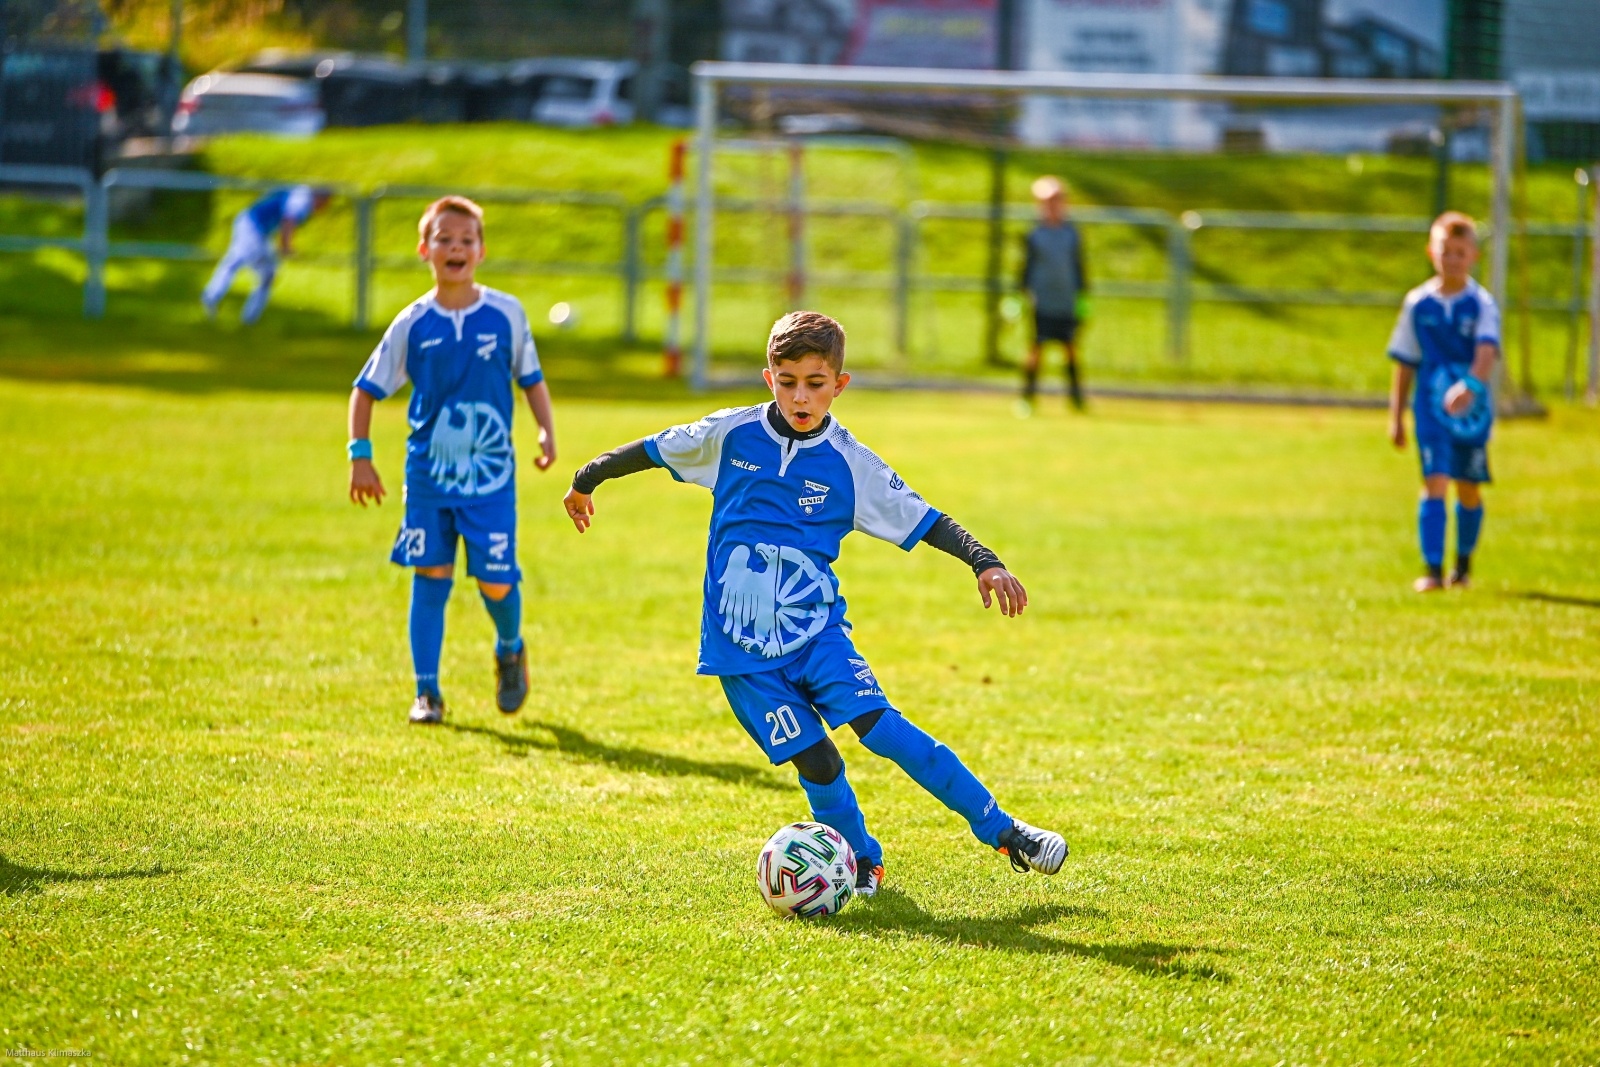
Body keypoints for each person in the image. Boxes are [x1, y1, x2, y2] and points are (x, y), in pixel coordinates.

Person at [562, 311, 1067, 896]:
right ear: (768, 377)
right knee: (820, 764)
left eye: (815, 382)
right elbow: (652, 449)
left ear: (840, 385)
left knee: (883, 729)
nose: (800, 395)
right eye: (787, 380)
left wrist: (985, 560)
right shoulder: (730, 435)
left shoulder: (851, 462)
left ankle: (1005, 831)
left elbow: (923, 518)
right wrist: (586, 479)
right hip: (742, 651)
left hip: (817, 634)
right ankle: (863, 864)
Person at [346, 196, 558, 724]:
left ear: (481, 250)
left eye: (466, 240)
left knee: (496, 580)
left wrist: (546, 431)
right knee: (430, 573)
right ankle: (427, 694)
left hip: (491, 478)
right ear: (425, 249)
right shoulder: (413, 322)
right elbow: (365, 390)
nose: (455, 247)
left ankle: (510, 648)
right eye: (444, 239)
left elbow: (530, 378)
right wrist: (361, 455)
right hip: (428, 477)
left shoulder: (507, 313)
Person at [1386, 211, 1500, 593]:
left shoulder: (1481, 304)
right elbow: (1404, 362)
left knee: (1467, 486)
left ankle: (1462, 566)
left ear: (1473, 257)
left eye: (1460, 252)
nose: (1452, 259)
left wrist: (1470, 385)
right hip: (1430, 410)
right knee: (1434, 480)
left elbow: (1486, 352)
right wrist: (1396, 416)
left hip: (1471, 414)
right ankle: (1432, 571)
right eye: (1445, 251)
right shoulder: (1417, 303)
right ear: (1431, 252)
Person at [202, 184, 332, 324]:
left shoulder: (302, 196)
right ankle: (218, 301)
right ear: (320, 198)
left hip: (257, 229)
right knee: (240, 263)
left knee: (255, 269)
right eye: (326, 203)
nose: (325, 207)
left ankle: (243, 315)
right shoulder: (301, 199)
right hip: (252, 227)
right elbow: (288, 221)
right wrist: (285, 247)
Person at [1018, 175, 1091, 412]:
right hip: (1042, 301)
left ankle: (1076, 398)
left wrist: (1084, 297)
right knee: (1036, 349)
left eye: (1056, 200)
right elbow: (1025, 267)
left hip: (1066, 301)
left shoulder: (1072, 233)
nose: (1052, 206)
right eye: (1047, 202)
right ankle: (1027, 398)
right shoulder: (1034, 234)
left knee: (1070, 349)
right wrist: (1018, 295)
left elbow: (1079, 266)